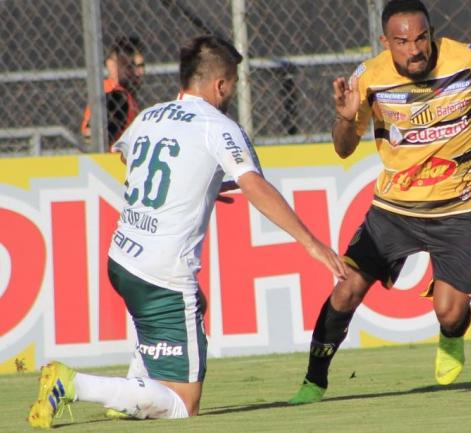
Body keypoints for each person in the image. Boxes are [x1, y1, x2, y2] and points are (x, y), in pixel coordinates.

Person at [28, 35, 348, 428]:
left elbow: (125, 153)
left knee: (194, 306)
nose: (232, 91)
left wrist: (201, 185)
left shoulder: (148, 116)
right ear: (220, 85)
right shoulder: (219, 127)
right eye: (233, 83)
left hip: (123, 257)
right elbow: (256, 186)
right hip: (163, 272)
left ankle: (134, 390)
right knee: (183, 406)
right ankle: (73, 383)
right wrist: (310, 243)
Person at [288, 0, 471, 405]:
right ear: (385, 42)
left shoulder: (469, 61)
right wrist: (344, 118)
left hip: (459, 207)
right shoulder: (368, 78)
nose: (415, 49)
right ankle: (314, 380)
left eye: (422, 37)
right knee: (346, 290)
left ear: (432, 33)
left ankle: (452, 335)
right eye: (403, 41)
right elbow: (343, 150)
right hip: (394, 209)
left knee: (449, 311)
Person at [81, 36, 145, 149]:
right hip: (108, 164)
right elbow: (90, 137)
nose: (139, 72)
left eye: (141, 66)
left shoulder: (123, 94)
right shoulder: (116, 96)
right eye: (130, 66)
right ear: (111, 65)